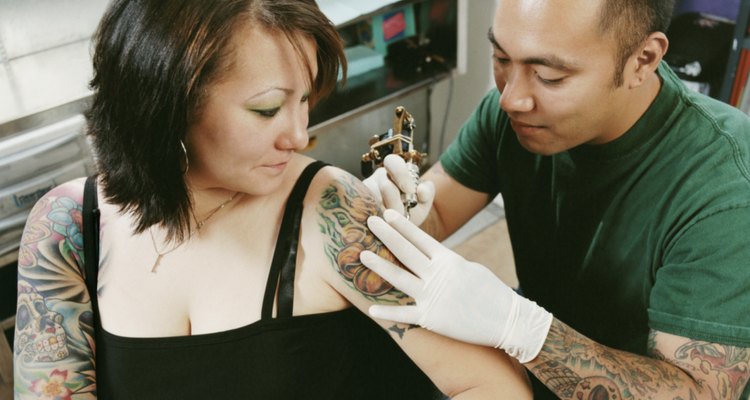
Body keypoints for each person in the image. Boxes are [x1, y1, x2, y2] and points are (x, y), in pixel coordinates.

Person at [12, 1, 533, 399]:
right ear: (164, 105)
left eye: (304, 100)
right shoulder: (66, 228)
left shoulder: (327, 210)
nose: (299, 135)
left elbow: (494, 388)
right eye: (266, 109)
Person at [361, 0, 750, 398]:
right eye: (501, 58)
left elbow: (700, 393)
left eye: (548, 76)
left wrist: (522, 329)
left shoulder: (726, 190)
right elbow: (440, 208)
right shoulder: (512, 115)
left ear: (642, 59)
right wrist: (400, 210)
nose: (512, 98)